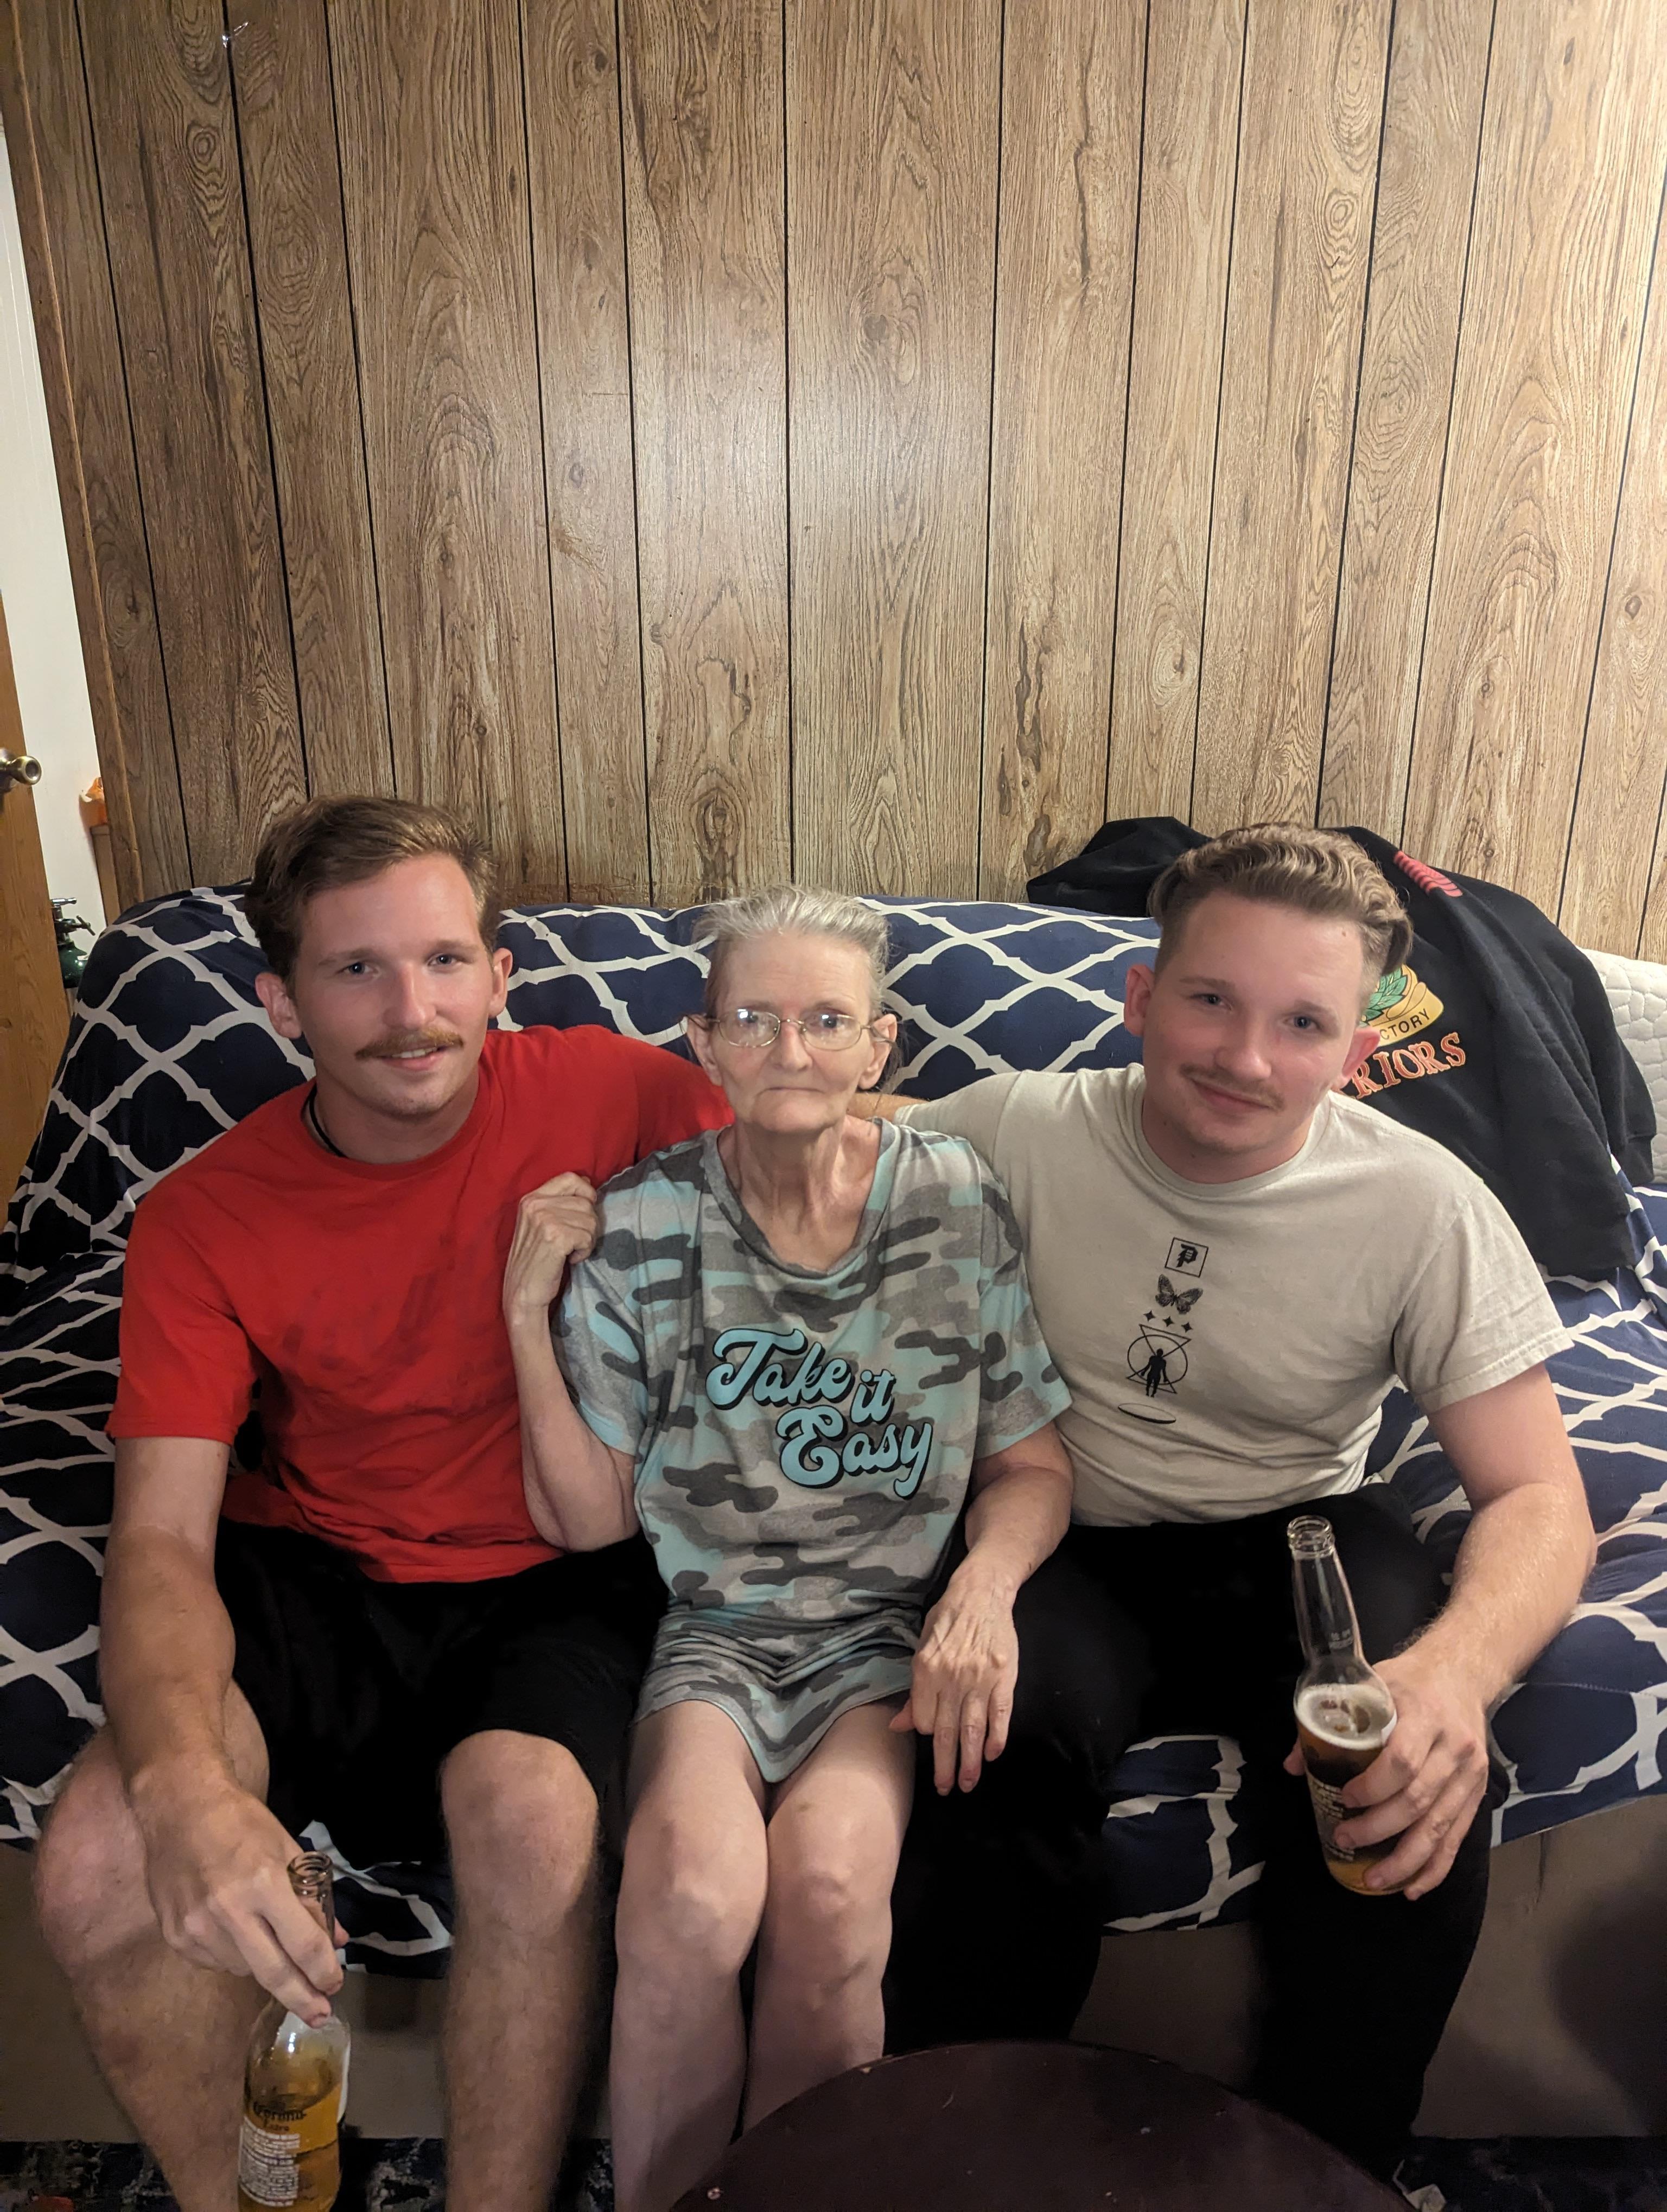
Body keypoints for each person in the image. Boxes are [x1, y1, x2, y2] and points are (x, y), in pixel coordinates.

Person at [31, 796, 730, 2212]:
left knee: (529, 1813)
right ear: (277, 998)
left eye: (445, 962)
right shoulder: (203, 1218)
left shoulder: (621, 1092)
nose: (413, 1013)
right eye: (357, 970)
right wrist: (177, 1790)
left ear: (501, 975)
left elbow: (833, 1132)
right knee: (99, 1857)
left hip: (557, 1568)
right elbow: (161, 1536)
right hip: (315, 1571)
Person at [876, 824, 1594, 2182]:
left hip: (1296, 1535)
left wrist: (1452, 1678)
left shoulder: (1426, 1208)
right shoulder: (1015, 1130)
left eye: (1302, 1022)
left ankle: (1331, 2171)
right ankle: (963, 2160)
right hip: (1063, 1531)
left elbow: (1538, 1496)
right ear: (1141, 999)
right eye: (1210, 1000)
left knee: (1407, 1772)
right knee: (987, 1744)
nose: (1245, 1059)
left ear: (1358, 1049)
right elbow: (808, 1151)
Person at [502, 885, 1073, 2212]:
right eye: (752, 1020)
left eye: (826, 1021)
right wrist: (525, 1312)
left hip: (883, 1641)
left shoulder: (953, 1197)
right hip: (713, 1637)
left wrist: (982, 1591)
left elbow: (1034, 1466)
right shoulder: (647, 1223)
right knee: (690, 1901)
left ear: (879, 1048)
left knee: (825, 1890)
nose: (790, 1053)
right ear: (704, 1042)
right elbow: (585, 1519)